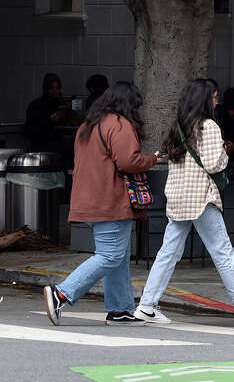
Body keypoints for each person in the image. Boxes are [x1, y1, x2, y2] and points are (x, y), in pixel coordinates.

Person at [133, 80, 234, 325]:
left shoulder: (179, 126)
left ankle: (146, 305)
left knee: (168, 253)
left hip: (179, 198)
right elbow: (212, 164)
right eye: (215, 97)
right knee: (222, 252)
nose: (217, 102)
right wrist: (224, 154)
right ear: (205, 100)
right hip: (200, 198)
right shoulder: (209, 126)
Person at [42, 81, 160, 326]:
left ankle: (120, 310)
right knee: (110, 255)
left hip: (90, 199)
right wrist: (152, 159)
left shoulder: (88, 125)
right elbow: (128, 162)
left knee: (118, 256)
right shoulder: (119, 124)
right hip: (110, 200)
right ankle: (61, 293)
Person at [24, 72, 74, 156]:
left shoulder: (61, 105)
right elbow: (31, 130)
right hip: (43, 146)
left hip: (60, 146)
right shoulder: (36, 106)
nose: (55, 91)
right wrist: (50, 120)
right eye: (52, 88)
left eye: (57, 88)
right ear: (46, 89)